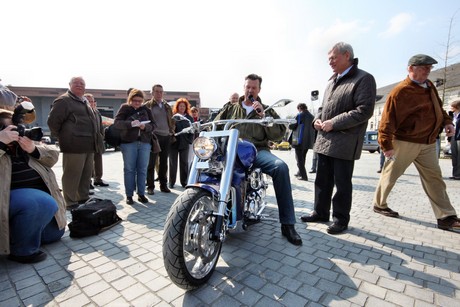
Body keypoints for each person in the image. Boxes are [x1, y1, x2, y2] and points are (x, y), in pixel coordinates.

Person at [372, 54, 460, 231]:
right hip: (404, 142)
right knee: (390, 175)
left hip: (427, 143)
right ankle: (379, 204)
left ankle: (446, 217)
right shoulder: (400, 91)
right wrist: (386, 146)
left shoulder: (430, 86)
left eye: (429, 68)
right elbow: (386, 121)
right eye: (423, 67)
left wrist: (447, 122)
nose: (428, 71)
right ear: (410, 68)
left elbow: (438, 108)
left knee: (435, 178)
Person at [214, 73, 302, 246]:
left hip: (257, 151)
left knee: (281, 167)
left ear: (259, 89)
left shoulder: (267, 110)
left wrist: (263, 116)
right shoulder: (230, 108)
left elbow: (278, 135)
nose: (250, 90)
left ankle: (288, 224)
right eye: (248, 87)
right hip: (231, 150)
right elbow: (215, 125)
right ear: (243, 87)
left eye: (254, 87)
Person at [301, 42, 376, 235]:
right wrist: (317, 120)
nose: (330, 62)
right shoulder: (331, 80)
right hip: (324, 138)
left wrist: (334, 122)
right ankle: (320, 212)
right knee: (322, 180)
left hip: (345, 140)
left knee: (342, 183)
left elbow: (364, 110)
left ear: (347, 55)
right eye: (329, 59)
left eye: (333, 58)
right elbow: (322, 108)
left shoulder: (363, 79)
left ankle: (340, 219)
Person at [0, 86, 66, 263]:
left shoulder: (21, 132)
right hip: (15, 200)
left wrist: (33, 149)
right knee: (38, 203)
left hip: (38, 204)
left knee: (54, 234)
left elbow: (53, 154)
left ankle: (18, 233)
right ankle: (22, 251)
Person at [47, 76, 102, 209]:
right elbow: (53, 122)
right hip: (73, 145)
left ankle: (83, 198)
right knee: (72, 175)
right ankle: (70, 202)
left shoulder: (84, 101)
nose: (79, 85)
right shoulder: (64, 100)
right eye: (76, 83)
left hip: (89, 145)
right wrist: (64, 137)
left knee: (86, 174)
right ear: (69, 85)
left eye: (82, 83)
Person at [114, 89, 154, 205]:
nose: (137, 103)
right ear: (130, 99)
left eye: (140, 101)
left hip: (144, 142)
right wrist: (131, 124)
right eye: (135, 101)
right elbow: (117, 123)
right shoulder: (125, 108)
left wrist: (145, 127)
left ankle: (141, 194)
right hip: (128, 143)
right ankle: (129, 195)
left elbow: (153, 125)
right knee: (129, 169)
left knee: (142, 169)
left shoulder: (146, 109)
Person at [145, 84, 174, 194]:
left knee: (163, 163)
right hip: (154, 137)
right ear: (152, 93)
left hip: (166, 137)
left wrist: (171, 131)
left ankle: (163, 185)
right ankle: (150, 187)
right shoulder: (148, 106)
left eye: (161, 92)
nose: (159, 93)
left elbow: (171, 120)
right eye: (157, 91)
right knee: (151, 163)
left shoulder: (167, 106)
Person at [85, 93, 109, 187]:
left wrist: (102, 135)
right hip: (88, 140)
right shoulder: (83, 112)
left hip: (97, 140)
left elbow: (101, 126)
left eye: (92, 101)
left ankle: (98, 179)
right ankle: (88, 181)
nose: (91, 103)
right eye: (88, 101)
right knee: (89, 162)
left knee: (98, 159)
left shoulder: (97, 112)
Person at [169, 98, 194, 188]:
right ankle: (171, 182)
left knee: (184, 163)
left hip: (184, 143)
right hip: (174, 143)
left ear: (186, 107)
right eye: (180, 106)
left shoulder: (189, 118)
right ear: (177, 107)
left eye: (184, 106)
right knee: (173, 163)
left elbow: (192, 130)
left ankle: (184, 182)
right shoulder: (173, 116)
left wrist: (189, 141)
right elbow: (170, 128)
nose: (182, 107)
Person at [289, 103, 315, 181]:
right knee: (303, 157)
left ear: (300, 108)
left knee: (299, 159)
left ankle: (304, 176)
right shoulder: (312, 117)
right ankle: (299, 172)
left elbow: (292, 126)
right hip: (308, 141)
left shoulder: (299, 115)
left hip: (299, 140)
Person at [449, 99, 460, 180]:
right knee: (454, 155)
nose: (451, 108)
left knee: (459, 156)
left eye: (453, 107)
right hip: (453, 136)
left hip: (459, 137)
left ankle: (458, 174)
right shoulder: (453, 115)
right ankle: (455, 173)